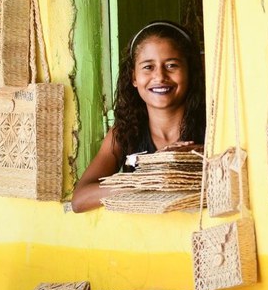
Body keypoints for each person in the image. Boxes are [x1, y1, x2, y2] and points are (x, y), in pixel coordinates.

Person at [71, 21, 205, 212]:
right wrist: (147, 177)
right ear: (134, 77)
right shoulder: (123, 133)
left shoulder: (213, 128)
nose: (160, 76)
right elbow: (80, 200)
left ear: (190, 72)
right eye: (148, 67)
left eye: (171, 65)